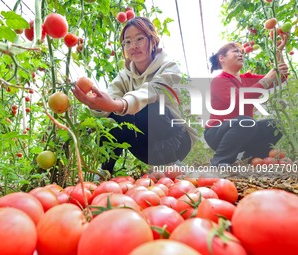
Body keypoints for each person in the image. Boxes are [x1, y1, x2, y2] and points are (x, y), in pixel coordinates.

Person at [72, 16, 197, 173]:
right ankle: (105, 172)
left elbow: (151, 92)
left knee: (151, 107)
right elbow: (110, 99)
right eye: (128, 42)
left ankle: (171, 165)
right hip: (144, 148)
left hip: (176, 142)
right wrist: (96, 104)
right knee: (111, 119)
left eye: (139, 39)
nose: (133, 46)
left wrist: (119, 104)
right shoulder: (124, 76)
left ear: (152, 41)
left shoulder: (169, 68)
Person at [204, 36, 289, 167]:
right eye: (236, 52)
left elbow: (281, 78)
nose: (241, 55)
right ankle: (220, 161)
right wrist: (265, 80)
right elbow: (239, 100)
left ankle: (252, 158)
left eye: (241, 52)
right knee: (246, 121)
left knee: (274, 125)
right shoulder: (219, 80)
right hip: (217, 134)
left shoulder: (247, 79)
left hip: (244, 130)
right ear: (222, 58)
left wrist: (278, 53)